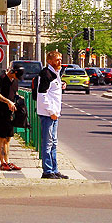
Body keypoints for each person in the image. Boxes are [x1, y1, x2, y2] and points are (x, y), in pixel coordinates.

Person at [36, 50, 67, 179]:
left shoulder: (56, 73)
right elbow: (42, 95)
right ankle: (47, 171)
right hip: (48, 114)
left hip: (55, 113)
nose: (60, 61)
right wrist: (51, 112)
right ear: (49, 61)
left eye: (60, 59)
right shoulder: (46, 74)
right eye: (57, 59)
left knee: (54, 142)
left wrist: (61, 86)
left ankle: (54, 169)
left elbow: (52, 92)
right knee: (48, 143)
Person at [0, 66, 23, 171]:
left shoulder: (15, 81)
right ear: (12, 72)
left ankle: (7, 161)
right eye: (16, 75)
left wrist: (18, 98)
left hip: (11, 112)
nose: (16, 78)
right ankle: (2, 162)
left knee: (8, 138)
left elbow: (14, 93)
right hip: (2, 111)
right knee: (1, 137)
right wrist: (8, 101)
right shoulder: (2, 79)